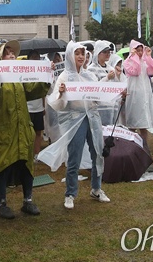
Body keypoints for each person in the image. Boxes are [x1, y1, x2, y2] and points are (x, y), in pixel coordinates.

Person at [0, 40, 51, 219]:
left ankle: (28, 200)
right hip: (3, 129)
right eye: (6, 53)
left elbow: (33, 90)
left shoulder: (18, 78)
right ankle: (1, 204)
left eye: (13, 53)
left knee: (26, 165)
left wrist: (45, 76)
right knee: (3, 165)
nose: (11, 56)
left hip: (22, 127)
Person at [45, 41, 110, 210]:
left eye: (83, 53)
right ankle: (70, 193)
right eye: (77, 53)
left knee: (97, 153)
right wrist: (61, 93)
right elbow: (56, 103)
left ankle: (96, 188)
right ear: (70, 56)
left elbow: (98, 95)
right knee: (74, 156)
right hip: (76, 120)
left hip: (92, 118)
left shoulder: (89, 76)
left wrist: (117, 91)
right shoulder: (64, 77)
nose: (81, 56)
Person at [123, 40, 153, 143]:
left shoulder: (144, 62)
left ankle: (144, 145)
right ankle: (131, 146)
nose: (140, 53)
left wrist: (148, 56)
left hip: (144, 94)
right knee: (133, 122)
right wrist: (134, 58)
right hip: (134, 95)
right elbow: (136, 71)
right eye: (138, 50)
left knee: (143, 124)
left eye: (141, 50)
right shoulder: (127, 62)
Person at [26, 50, 46, 160]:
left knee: (39, 132)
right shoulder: (24, 72)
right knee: (28, 133)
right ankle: (28, 154)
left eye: (37, 57)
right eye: (33, 57)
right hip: (27, 108)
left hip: (38, 108)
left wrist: (43, 106)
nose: (35, 59)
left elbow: (42, 91)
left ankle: (36, 154)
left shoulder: (41, 72)